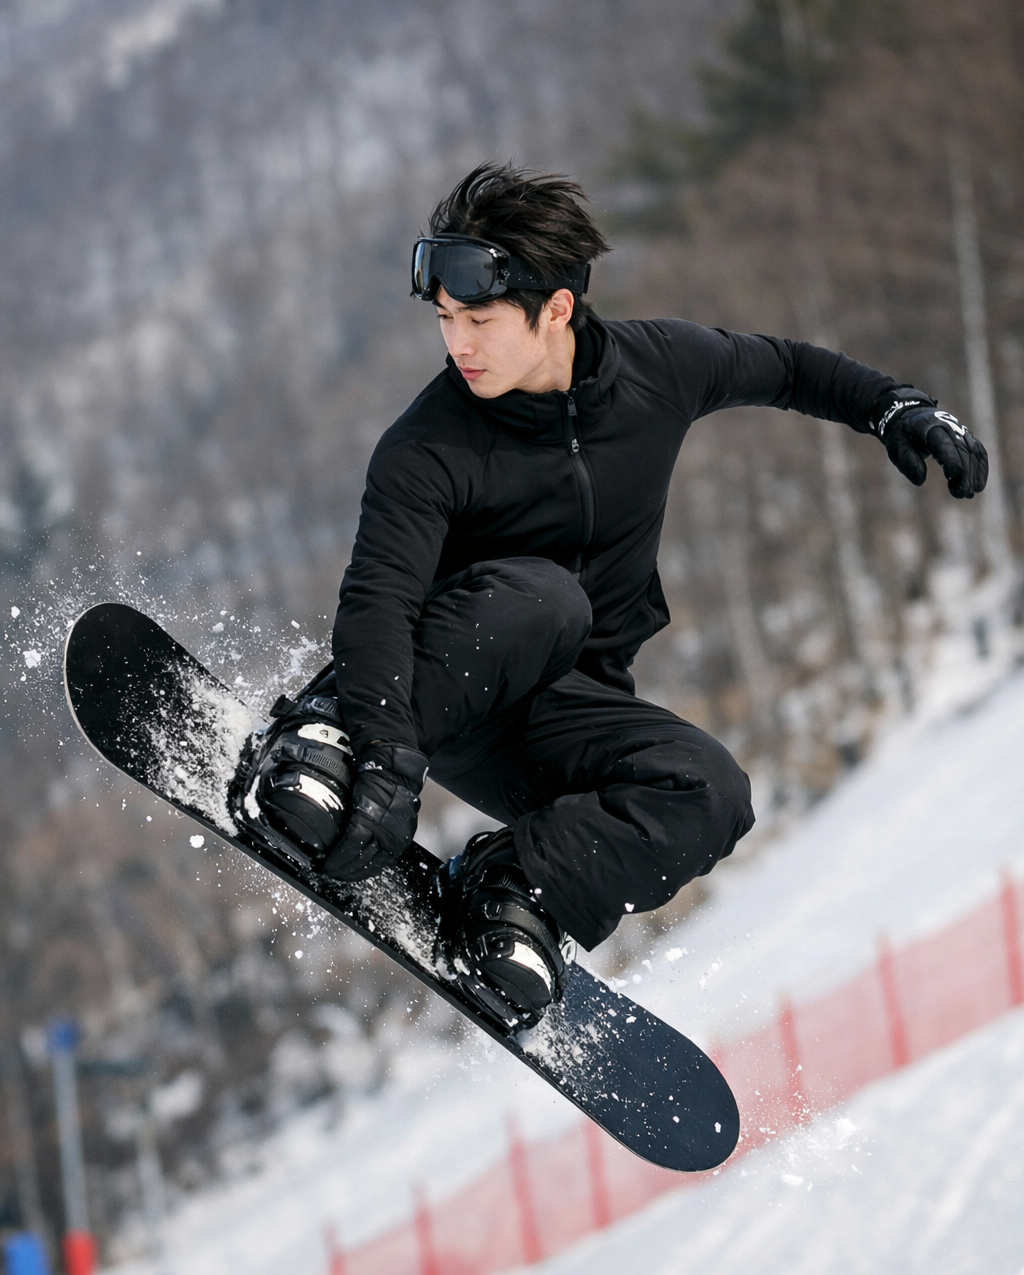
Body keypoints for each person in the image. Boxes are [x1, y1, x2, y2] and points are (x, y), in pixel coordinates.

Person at [242, 162, 989, 1033]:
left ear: (556, 309)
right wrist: (381, 755)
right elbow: (377, 603)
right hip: (437, 695)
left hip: (565, 713)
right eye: (447, 322)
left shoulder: (657, 370)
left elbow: (782, 368)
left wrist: (893, 407)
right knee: (545, 600)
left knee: (713, 790)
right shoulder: (428, 445)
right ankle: (321, 738)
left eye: (479, 320)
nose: (459, 346)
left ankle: (517, 890)